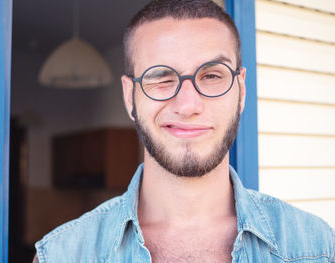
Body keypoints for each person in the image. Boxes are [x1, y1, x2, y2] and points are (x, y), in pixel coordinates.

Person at [34, 0, 335, 262]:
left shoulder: (316, 247)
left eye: (213, 75)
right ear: (130, 97)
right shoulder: (63, 254)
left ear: (241, 91)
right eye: (161, 77)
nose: (188, 104)